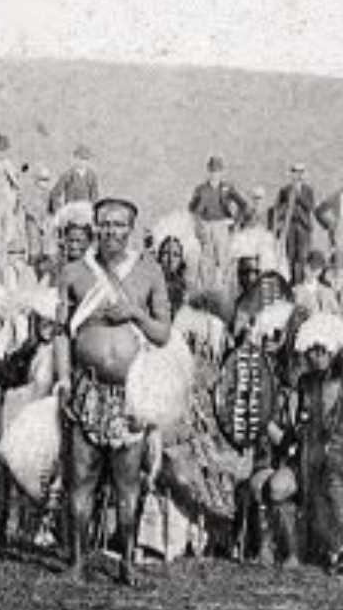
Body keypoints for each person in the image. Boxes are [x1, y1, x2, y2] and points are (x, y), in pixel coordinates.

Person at [56, 198, 174, 584]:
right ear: (95, 227)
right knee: (81, 481)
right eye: (104, 224)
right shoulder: (74, 271)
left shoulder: (149, 272)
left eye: (119, 225)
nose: (111, 231)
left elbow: (162, 334)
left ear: (131, 228)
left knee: (128, 484)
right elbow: (60, 332)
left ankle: (126, 561)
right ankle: (76, 562)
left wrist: (135, 314)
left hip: (131, 394)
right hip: (85, 388)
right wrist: (62, 379)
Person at [189, 155, 250, 278]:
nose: (214, 174)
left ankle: (222, 284)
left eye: (217, 171)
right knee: (206, 257)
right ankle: (206, 285)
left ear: (221, 172)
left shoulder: (226, 188)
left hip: (222, 225)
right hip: (206, 225)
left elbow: (243, 204)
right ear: (208, 171)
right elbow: (191, 207)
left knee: (222, 257)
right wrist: (197, 221)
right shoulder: (201, 189)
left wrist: (236, 222)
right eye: (212, 171)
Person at [0, 134, 26, 271]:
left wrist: (17, 202)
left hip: (6, 203)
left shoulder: (5, 164)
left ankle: (5, 264)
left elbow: (16, 183)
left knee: (7, 234)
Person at [272, 163, 318, 282]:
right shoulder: (284, 190)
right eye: (295, 172)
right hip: (290, 227)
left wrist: (298, 196)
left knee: (302, 257)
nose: (298, 175)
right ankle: (292, 282)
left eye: (300, 172)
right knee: (290, 256)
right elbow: (277, 208)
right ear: (291, 174)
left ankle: (302, 281)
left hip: (303, 227)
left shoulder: (308, 190)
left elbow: (310, 207)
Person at [48, 144, 100, 215]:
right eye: (81, 158)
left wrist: (92, 208)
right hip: (71, 211)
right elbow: (55, 193)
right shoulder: (67, 174)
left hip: (86, 211)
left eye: (86, 159)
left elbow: (95, 195)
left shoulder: (92, 175)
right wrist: (60, 210)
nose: (83, 162)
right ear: (75, 158)